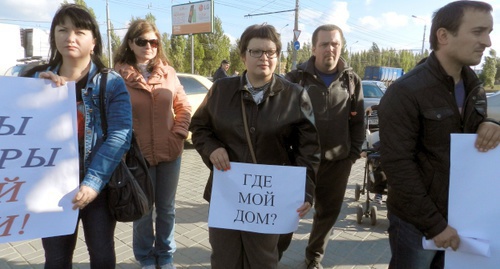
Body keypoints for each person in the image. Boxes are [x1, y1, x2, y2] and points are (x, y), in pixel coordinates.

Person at [378, 1, 500, 268]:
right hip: (418, 226)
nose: (488, 42)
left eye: (489, 32)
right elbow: (397, 165)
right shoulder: (405, 92)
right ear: (443, 36)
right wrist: (434, 226)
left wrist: (492, 124)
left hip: (466, 219)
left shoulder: (475, 88)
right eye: (478, 32)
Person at [189, 24, 321, 269]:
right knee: (224, 259)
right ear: (243, 55)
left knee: (264, 260)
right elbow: (199, 128)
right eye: (256, 52)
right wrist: (212, 149)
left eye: (271, 52)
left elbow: (309, 150)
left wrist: (305, 191)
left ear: (278, 56)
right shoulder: (221, 90)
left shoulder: (295, 96)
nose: (264, 58)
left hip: (272, 199)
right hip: (227, 197)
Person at [22, 4, 132, 269]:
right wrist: (37, 93)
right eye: (63, 30)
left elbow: (120, 135)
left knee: (102, 255)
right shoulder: (33, 79)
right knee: (56, 259)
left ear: (93, 41)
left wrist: (93, 182)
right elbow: (18, 130)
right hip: (51, 185)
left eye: (80, 31)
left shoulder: (111, 82)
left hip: (98, 186)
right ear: (54, 37)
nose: (71, 37)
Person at [278, 24, 365, 269]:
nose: (330, 48)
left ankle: (314, 257)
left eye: (335, 43)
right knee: (290, 212)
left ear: (341, 46)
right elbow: (280, 119)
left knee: (327, 215)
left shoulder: (351, 80)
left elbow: (358, 122)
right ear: (314, 47)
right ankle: (272, 256)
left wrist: (352, 153)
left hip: (338, 163)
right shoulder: (295, 79)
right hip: (300, 163)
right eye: (325, 44)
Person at [114, 19, 191, 269]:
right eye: (142, 41)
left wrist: (178, 133)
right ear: (130, 43)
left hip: (170, 153)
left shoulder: (168, 72)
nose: (149, 46)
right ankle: (146, 257)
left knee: (167, 209)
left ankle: (166, 255)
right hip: (137, 156)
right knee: (143, 210)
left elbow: (183, 107)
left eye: (153, 41)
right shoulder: (118, 76)